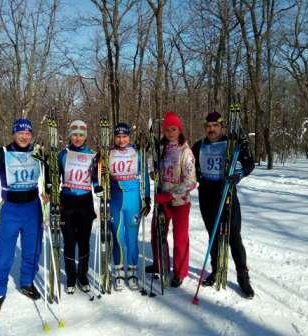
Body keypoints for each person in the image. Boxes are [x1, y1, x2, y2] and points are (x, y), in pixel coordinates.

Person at [0, 118, 43, 313]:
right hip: (11, 210)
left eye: (27, 133)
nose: (24, 136)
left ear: (31, 134)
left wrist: (47, 192)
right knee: (5, 253)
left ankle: (27, 283)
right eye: (20, 132)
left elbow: (47, 177)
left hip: (33, 208)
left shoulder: (37, 153)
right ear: (14, 133)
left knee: (32, 250)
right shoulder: (2, 153)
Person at [191, 111, 255, 298]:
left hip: (226, 192)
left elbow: (249, 164)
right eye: (208, 126)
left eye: (215, 126)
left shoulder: (232, 144)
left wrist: (239, 175)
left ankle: (243, 277)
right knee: (213, 235)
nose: (211, 129)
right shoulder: (198, 145)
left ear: (221, 127)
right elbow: (187, 163)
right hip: (206, 194)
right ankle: (216, 269)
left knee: (234, 236)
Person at [147, 111, 197, 288]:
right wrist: (153, 172)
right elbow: (153, 167)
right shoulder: (161, 149)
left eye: (173, 129)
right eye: (167, 129)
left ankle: (180, 271)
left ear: (179, 130)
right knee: (157, 233)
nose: (170, 132)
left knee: (180, 237)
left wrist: (171, 194)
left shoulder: (186, 152)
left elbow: (191, 182)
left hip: (180, 202)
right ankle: (159, 264)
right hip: (162, 200)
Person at [58, 120, 99, 295]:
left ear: (85, 136)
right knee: (69, 241)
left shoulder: (92, 155)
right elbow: (55, 176)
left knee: (83, 241)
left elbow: (95, 177)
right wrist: (49, 189)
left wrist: (98, 186)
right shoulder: (62, 154)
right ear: (70, 135)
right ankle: (71, 276)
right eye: (74, 134)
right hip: (67, 201)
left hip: (85, 202)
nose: (77, 138)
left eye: (81, 135)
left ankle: (82, 275)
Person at [109, 122, 150, 291]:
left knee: (132, 238)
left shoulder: (137, 153)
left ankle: (132, 270)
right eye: (118, 136)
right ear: (114, 137)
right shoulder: (108, 154)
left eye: (124, 136)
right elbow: (100, 175)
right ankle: (118, 271)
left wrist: (147, 197)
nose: (121, 140)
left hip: (134, 200)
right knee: (117, 237)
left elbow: (145, 176)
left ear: (129, 137)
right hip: (116, 201)